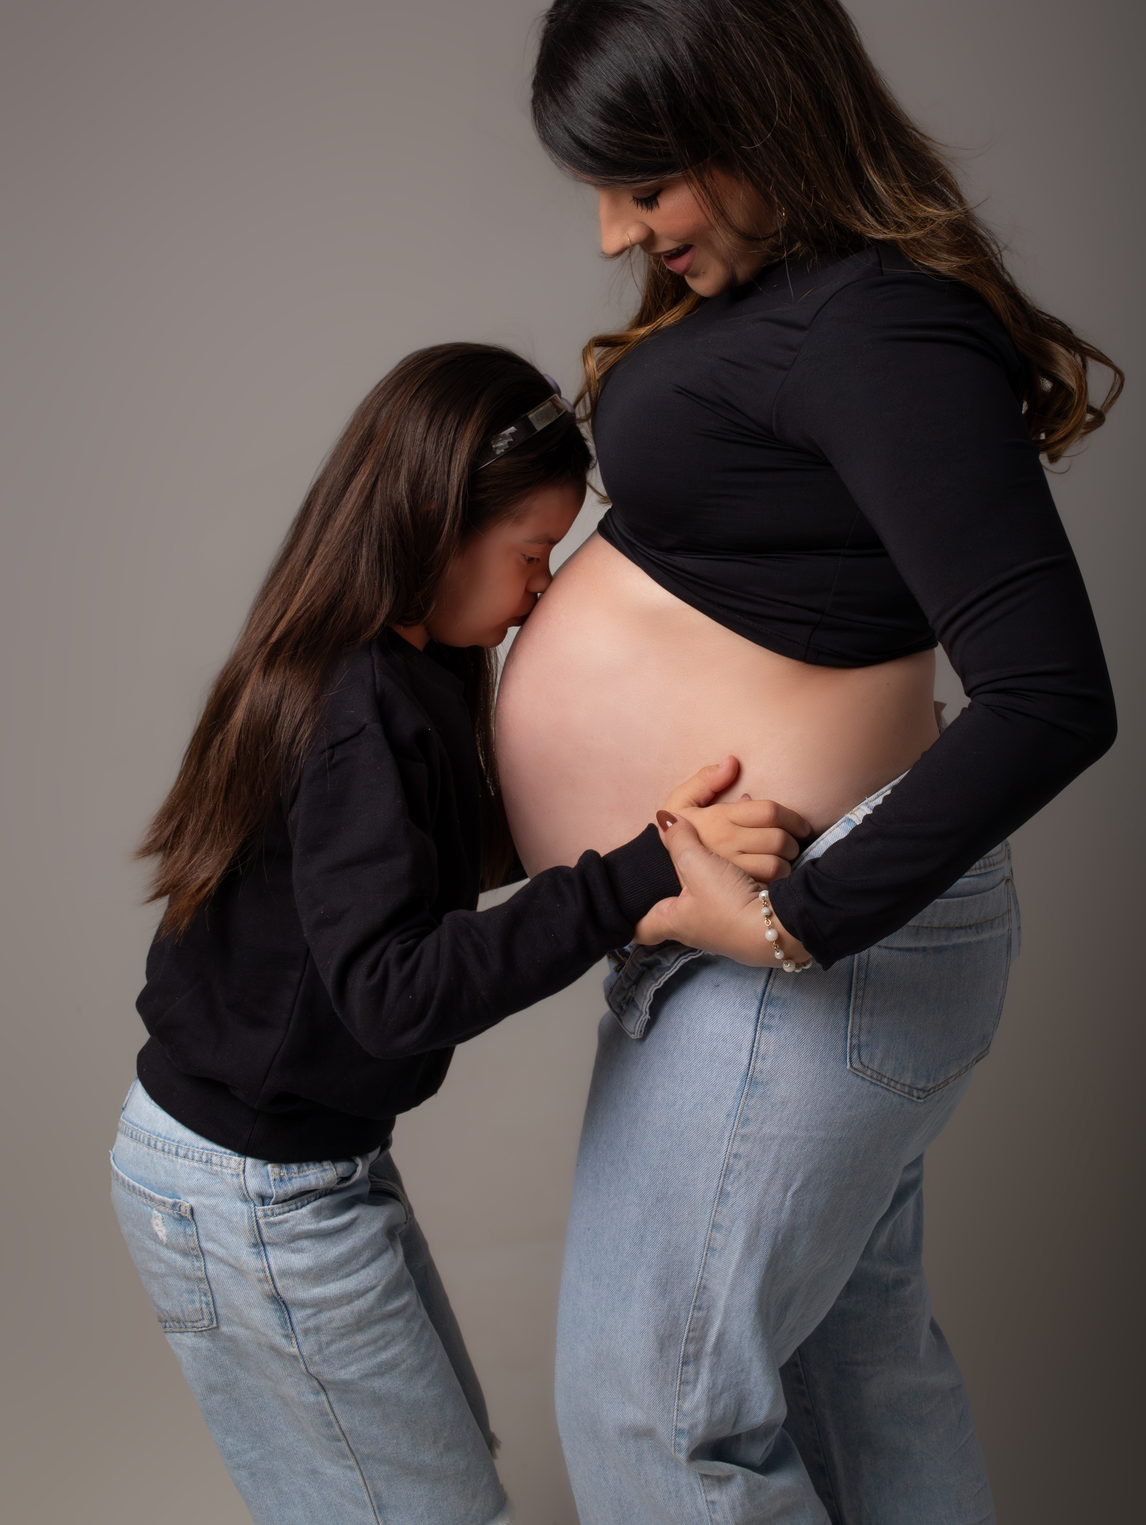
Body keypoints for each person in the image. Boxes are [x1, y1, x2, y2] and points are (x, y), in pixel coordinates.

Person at [496, 0, 1124, 1523]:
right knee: (860, 1390)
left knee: (655, 1406)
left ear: (756, 114)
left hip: (807, 949)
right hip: (749, 941)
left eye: (647, 184)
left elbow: (1053, 694)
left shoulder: (881, 329)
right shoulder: (806, 298)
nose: (614, 234)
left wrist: (793, 922)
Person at [111, 342, 806, 1525]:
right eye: (532, 555)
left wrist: (647, 834)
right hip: (248, 1187)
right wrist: (635, 877)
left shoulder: (411, 667)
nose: (541, 587)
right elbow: (394, 990)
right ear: (436, 520)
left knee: (431, 1495)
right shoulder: (354, 708)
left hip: (296, 1168)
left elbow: (432, 871)